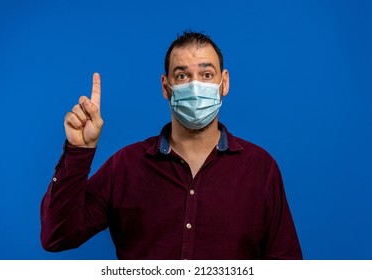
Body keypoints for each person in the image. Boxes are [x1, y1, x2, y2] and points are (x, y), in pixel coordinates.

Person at [40, 31, 302, 260]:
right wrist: (79, 152)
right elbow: (57, 237)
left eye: (206, 74)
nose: (196, 86)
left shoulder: (260, 168)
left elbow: (285, 263)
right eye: (183, 75)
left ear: (224, 83)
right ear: (166, 87)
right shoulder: (126, 167)